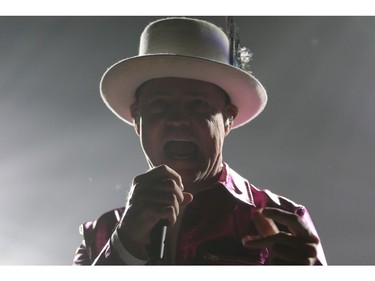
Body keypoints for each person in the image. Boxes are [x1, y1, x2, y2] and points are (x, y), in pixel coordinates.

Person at [73, 16, 327, 265]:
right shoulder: (99, 235)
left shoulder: (285, 225)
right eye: (159, 104)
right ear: (137, 120)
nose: (178, 120)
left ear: (228, 120)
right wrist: (124, 244)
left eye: (197, 104)